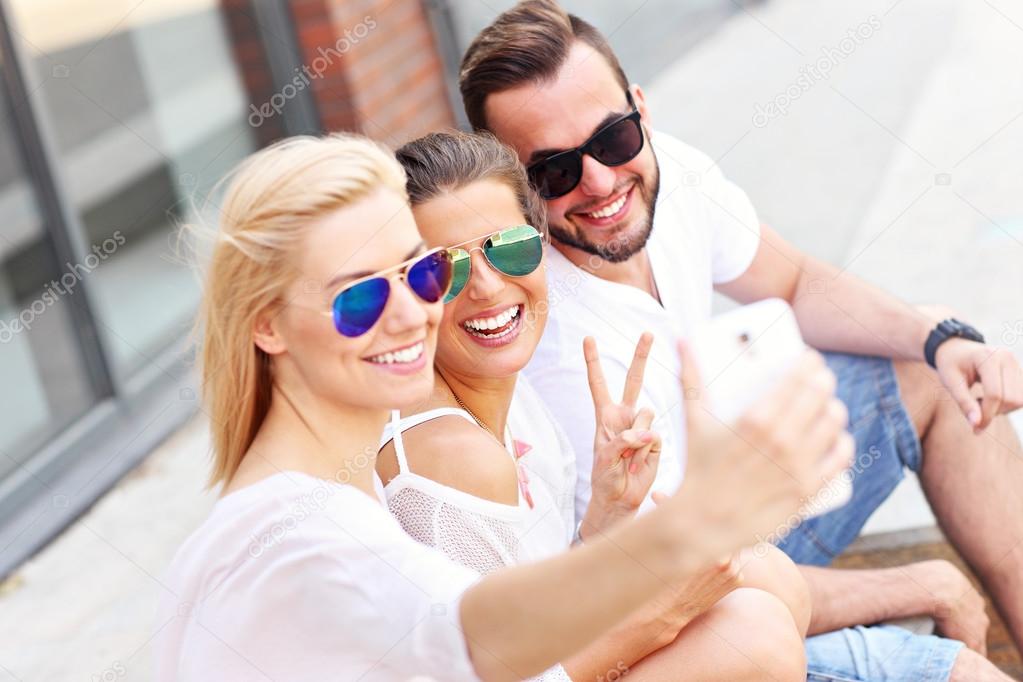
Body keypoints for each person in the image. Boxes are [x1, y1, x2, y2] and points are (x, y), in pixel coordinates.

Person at [457, 2, 1023, 680]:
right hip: (690, 612)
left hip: (741, 522)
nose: (601, 183)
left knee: (936, 367)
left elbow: (793, 281)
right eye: (554, 171)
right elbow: (683, 587)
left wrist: (942, 338)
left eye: (611, 140)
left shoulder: (672, 176)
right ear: (512, 189)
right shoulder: (541, 344)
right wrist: (918, 584)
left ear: (640, 109)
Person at [151, 132, 851, 681]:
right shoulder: (298, 537)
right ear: (265, 325)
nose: (409, 314)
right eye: (356, 296)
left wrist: (613, 518)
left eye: (417, 273)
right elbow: (472, 637)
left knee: (758, 588)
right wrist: (692, 527)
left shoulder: (324, 490)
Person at [381, 129, 815, 681]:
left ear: (541, 242)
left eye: (508, 248)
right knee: (755, 636)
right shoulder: (450, 456)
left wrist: (606, 515)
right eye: (444, 271)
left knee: (765, 574)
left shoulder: (512, 395)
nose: (487, 288)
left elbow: (540, 593)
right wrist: (659, 614)